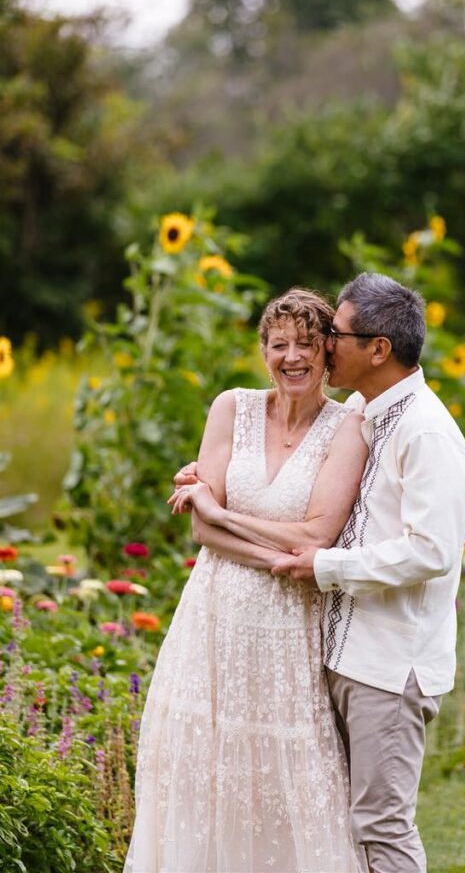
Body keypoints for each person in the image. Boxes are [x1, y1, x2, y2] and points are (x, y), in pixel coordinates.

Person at [174, 273, 465, 873]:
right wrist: (213, 474)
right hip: (346, 652)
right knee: (347, 820)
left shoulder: (426, 431)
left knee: (381, 825)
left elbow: (432, 551)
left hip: (392, 665)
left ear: (377, 349)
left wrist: (324, 564)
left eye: (332, 335)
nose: (319, 346)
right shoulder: (374, 410)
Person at [124, 289, 369, 873]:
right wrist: (273, 553)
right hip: (211, 618)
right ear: (263, 349)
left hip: (289, 629)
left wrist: (223, 510)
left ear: (328, 353)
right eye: (279, 344)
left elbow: (317, 537)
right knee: (203, 765)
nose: (292, 357)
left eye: (307, 345)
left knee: (287, 770)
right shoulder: (230, 407)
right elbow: (201, 535)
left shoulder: (348, 426)